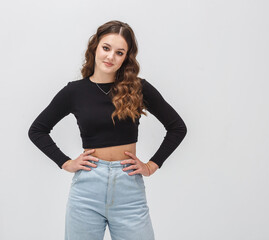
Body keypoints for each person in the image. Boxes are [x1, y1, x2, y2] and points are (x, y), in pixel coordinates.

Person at [28, 20, 187, 240]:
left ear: (126, 58)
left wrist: (151, 166)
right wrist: (66, 163)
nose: (111, 57)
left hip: (129, 189)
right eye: (106, 48)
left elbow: (177, 127)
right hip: (86, 191)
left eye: (119, 52)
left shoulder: (138, 88)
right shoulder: (74, 91)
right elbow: (37, 130)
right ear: (95, 47)